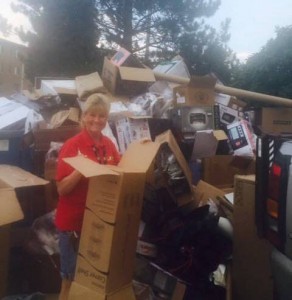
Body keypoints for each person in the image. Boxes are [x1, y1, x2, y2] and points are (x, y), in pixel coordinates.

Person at [54, 93, 120, 300]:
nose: (96, 120)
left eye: (101, 116)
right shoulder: (72, 146)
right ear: (84, 117)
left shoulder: (109, 145)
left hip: (99, 224)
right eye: (92, 115)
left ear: (106, 118)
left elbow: (119, 177)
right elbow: (62, 189)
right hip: (73, 225)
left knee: (93, 281)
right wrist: (80, 170)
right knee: (70, 279)